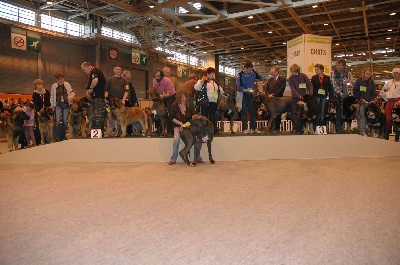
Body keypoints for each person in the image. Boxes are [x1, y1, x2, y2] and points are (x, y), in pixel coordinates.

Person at [168, 91, 201, 165]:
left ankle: (198, 157)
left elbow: (193, 116)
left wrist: (187, 124)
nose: (184, 99)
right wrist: (180, 124)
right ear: (179, 98)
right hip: (177, 126)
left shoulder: (190, 105)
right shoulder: (174, 105)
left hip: (188, 126)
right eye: (182, 97)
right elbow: (171, 117)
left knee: (196, 138)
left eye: (185, 97)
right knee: (176, 140)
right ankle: (173, 159)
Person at [236, 61, 264, 134]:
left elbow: (261, 77)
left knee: (252, 112)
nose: (250, 71)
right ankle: (244, 129)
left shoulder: (254, 72)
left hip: (251, 95)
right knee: (244, 112)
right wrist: (247, 90)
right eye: (249, 69)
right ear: (244, 68)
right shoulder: (239, 75)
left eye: (251, 69)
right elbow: (239, 88)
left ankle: (253, 128)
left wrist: (261, 88)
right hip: (243, 95)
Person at [194, 67, 224, 134]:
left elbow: (221, 91)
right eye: (211, 74)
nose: (213, 75)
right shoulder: (202, 81)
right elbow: (196, 88)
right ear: (207, 74)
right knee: (204, 116)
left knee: (212, 116)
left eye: (213, 74)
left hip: (213, 102)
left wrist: (226, 94)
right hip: (205, 101)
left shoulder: (216, 83)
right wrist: (202, 81)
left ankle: (212, 130)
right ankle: (203, 130)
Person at [104, 65, 129, 137]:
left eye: (119, 69)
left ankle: (119, 132)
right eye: (117, 69)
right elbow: (106, 90)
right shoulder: (109, 79)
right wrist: (106, 98)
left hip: (120, 102)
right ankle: (110, 132)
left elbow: (126, 91)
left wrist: (124, 99)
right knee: (110, 116)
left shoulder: (125, 80)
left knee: (120, 118)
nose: (118, 70)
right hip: (111, 101)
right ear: (114, 70)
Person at [288, 64, 313, 134]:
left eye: (293, 71)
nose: (292, 73)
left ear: (297, 70)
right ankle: (298, 129)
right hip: (295, 98)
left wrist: (310, 92)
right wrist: (298, 96)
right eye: (291, 72)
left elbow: (309, 85)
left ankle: (305, 129)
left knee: (304, 114)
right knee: (296, 114)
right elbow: (293, 89)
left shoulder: (303, 76)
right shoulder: (290, 78)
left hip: (304, 98)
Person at [81, 62, 106, 132]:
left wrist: (91, 89)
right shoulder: (95, 71)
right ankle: (97, 132)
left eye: (84, 70)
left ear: (87, 67)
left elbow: (95, 80)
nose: (84, 72)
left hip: (98, 98)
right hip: (96, 97)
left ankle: (98, 132)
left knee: (98, 115)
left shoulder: (94, 72)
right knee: (96, 115)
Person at [330, 59, 354, 133]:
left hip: (345, 96)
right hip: (335, 96)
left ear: (343, 66)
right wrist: (340, 92)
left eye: (339, 65)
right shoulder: (332, 73)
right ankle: (337, 127)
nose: (337, 66)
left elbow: (353, 81)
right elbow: (333, 84)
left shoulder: (348, 73)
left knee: (343, 111)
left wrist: (349, 81)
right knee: (337, 112)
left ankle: (342, 127)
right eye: (337, 65)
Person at [50, 72, 75, 141]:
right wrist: (52, 105)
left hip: (66, 104)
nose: (62, 80)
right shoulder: (54, 86)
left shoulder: (67, 85)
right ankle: (56, 137)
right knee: (57, 121)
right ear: (57, 79)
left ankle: (63, 136)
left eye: (63, 79)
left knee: (64, 121)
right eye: (60, 79)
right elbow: (52, 96)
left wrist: (71, 96)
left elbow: (72, 92)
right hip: (58, 104)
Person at [353, 67, 376, 136]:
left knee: (369, 116)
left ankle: (369, 131)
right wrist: (360, 99)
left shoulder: (371, 82)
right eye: (367, 73)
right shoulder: (358, 81)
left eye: (369, 74)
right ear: (363, 73)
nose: (368, 75)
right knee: (361, 115)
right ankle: (362, 131)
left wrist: (371, 100)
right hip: (360, 102)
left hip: (368, 102)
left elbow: (373, 93)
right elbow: (355, 91)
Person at [153, 69, 176, 134]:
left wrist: (163, 96)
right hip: (161, 96)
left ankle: (170, 130)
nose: (156, 78)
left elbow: (170, 93)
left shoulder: (167, 81)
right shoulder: (154, 81)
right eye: (155, 76)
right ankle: (158, 129)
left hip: (170, 96)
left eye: (158, 76)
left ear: (161, 76)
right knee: (156, 111)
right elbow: (155, 91)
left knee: (169, 112)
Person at [379, 67, 400, 140]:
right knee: (388, 118)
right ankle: (386, 133)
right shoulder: (389, 83)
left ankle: (397, 134)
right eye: (394, 74)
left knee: (398, 119)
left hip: (399, 102)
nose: (395, 75)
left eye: (397, 73)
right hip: (390, 101)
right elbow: (382, 92)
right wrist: (386, 98)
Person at [265, 66, 286, 131]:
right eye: (271, 72)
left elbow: (282, 89)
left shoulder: (282, 79)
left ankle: (277, 128)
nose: (271, 73)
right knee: (270, 113)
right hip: (270, 100)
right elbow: (266, 88)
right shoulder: (269, 80)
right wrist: (268, 94)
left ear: (277, 72)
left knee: (278, 114)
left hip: (278, 99)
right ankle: (270, 127)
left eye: (272, 72)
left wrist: (273, 94)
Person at [32, 79, 51, 144]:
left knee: (48, 125)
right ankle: (38, 141)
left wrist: (50, 108)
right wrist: (38, 111)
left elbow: (49, 101)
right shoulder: (35, 94)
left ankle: (49, 140)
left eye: (41, 85)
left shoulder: (46, 92)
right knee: (38, 127)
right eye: (38, 85)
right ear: (36, 86)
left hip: (47, 111)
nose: (40, 86)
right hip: (39, 111)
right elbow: (35, 103)